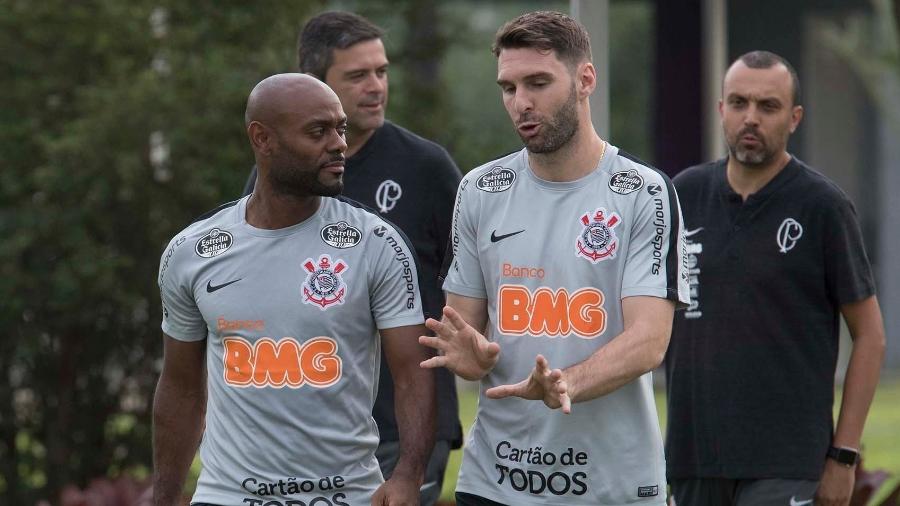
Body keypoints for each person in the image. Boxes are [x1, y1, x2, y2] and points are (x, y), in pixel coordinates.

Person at [418, 11, 690, 506]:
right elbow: (465, 335)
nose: (521, 102)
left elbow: (650, 340)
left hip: (613, 485)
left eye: (538, 82)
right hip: (496, 482)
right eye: (508, 87)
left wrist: (566, 383)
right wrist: (469, 357)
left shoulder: (642, 192)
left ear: (586, 79)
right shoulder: (479, 190)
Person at [152, 73, 435, 506]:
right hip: (228, 496)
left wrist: (408, 475)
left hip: (348, 496)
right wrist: (164, 497)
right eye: (318, 132)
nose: (339, 143)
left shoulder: (376, 244)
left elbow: (412, 373)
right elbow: (181, 388)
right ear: (262, 138)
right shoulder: (192, 252)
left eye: (340, 128)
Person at [242, 13, 463, 504]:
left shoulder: (426, 168)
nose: (375, 87)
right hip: (310, 424)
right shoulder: (283, 175)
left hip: (402, 427)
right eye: (357, 75)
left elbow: (471, 282)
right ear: (316, 84)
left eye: (381, 72)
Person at [665, 51, 886, 506]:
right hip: (693, 456)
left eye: (768, 106)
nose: (751, 118)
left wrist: (843, 457)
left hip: (787, 464)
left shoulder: (823, 207)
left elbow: (871, 337)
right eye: (739, 102)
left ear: (794, 118)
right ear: (721, 109)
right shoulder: (681, 195)